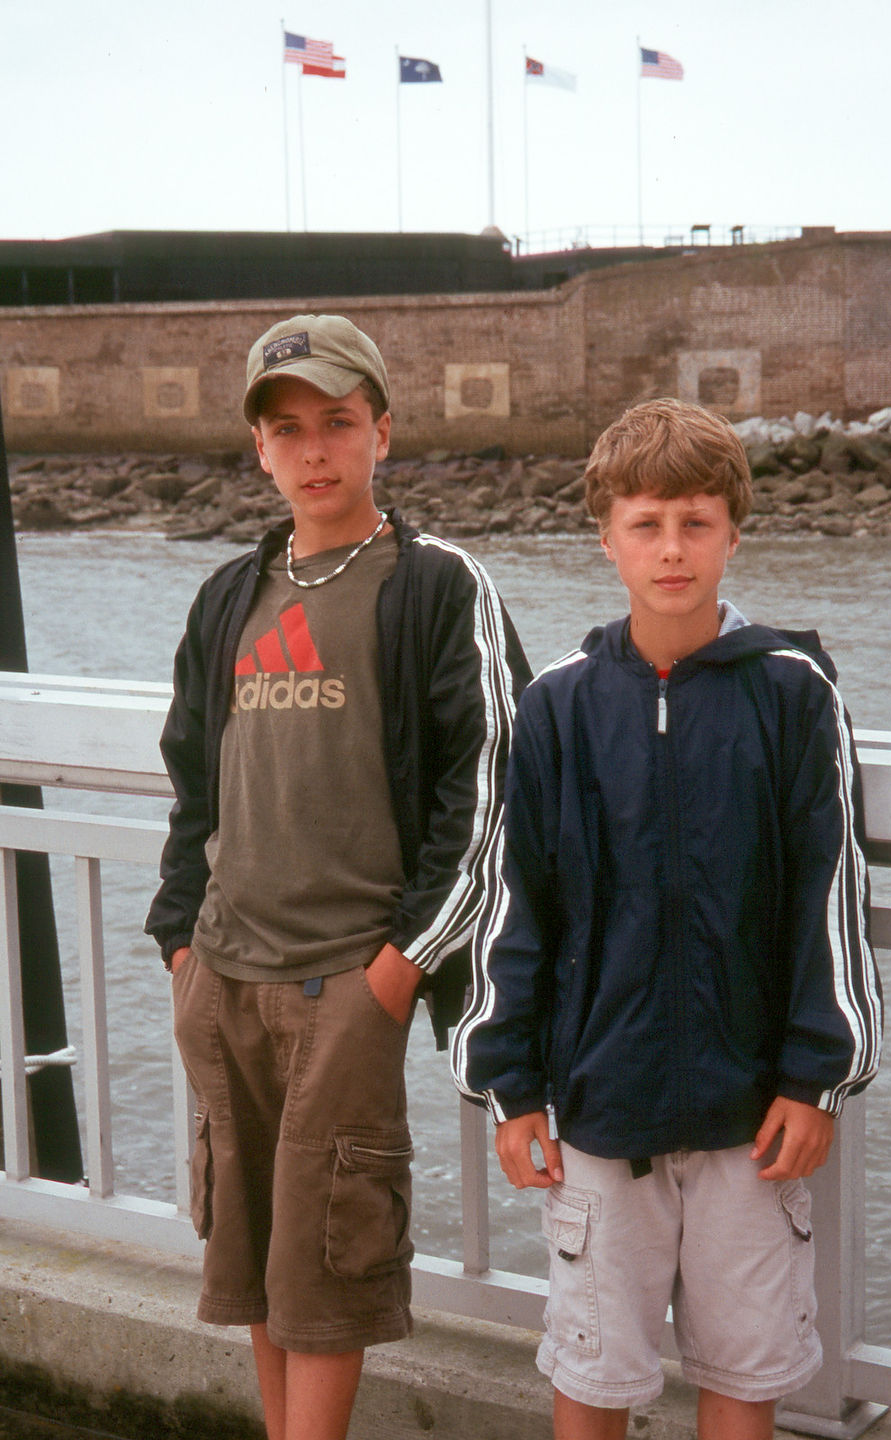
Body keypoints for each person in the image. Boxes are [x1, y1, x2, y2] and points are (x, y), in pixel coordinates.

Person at [452, 397, 882, 1440]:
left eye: (696, 522)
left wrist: (815, 1076)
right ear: (607, 539)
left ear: (735, 530)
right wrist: (510, 1087)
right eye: (647, 524)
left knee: (745, 1373)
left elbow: (832, 891)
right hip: (601, 1114)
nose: (673, 548)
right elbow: (519, 905)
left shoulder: (794, 693)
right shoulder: (556, 705)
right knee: (596, 1377)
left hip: (753, 1121)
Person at [145, 313, 530, 1440]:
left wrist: (402, 968)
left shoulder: (436, 587)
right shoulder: (230, 594)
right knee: (261, 1264)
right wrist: (181, 939)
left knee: (329, 1273)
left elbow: (491, 793)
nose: (315, 451)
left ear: (383, 435)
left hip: (344, 988)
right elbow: (191, 778)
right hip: (224, 977)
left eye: (339, 424)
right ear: (259, 451)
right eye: (288, 430)